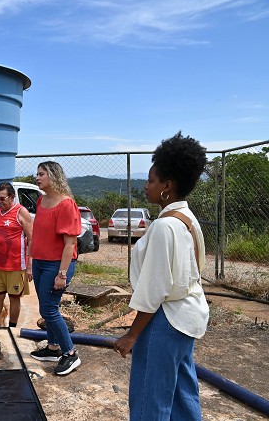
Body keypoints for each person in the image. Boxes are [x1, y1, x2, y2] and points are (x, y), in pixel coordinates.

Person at [114, 133, 209, 420]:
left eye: (151, 180)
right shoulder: (188, 220)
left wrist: (131, 335)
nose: (146, 186)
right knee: (182, 394)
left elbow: (154, 291)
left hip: (164, 322)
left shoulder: (163, 227)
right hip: (188, 318)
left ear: (168, 186)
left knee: (148, 400)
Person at [30, 161, 82, 375]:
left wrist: (62, 274)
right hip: (41, 262)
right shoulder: (42, 201)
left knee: (49, 310)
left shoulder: (66, 204)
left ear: (53, 176)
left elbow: (69, 244)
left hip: (57, 265)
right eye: (37, 174)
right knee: (47, 306)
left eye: (41, 174)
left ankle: (70, 353)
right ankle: (52, 348)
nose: (37, 177)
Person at [0, 182, 33, 328]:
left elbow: (32, 239)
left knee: (14, 298)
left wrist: (30, 265)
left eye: (2, 199)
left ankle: (12, 328)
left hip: (16, 264)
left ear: (12, 197)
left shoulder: (21, 212)